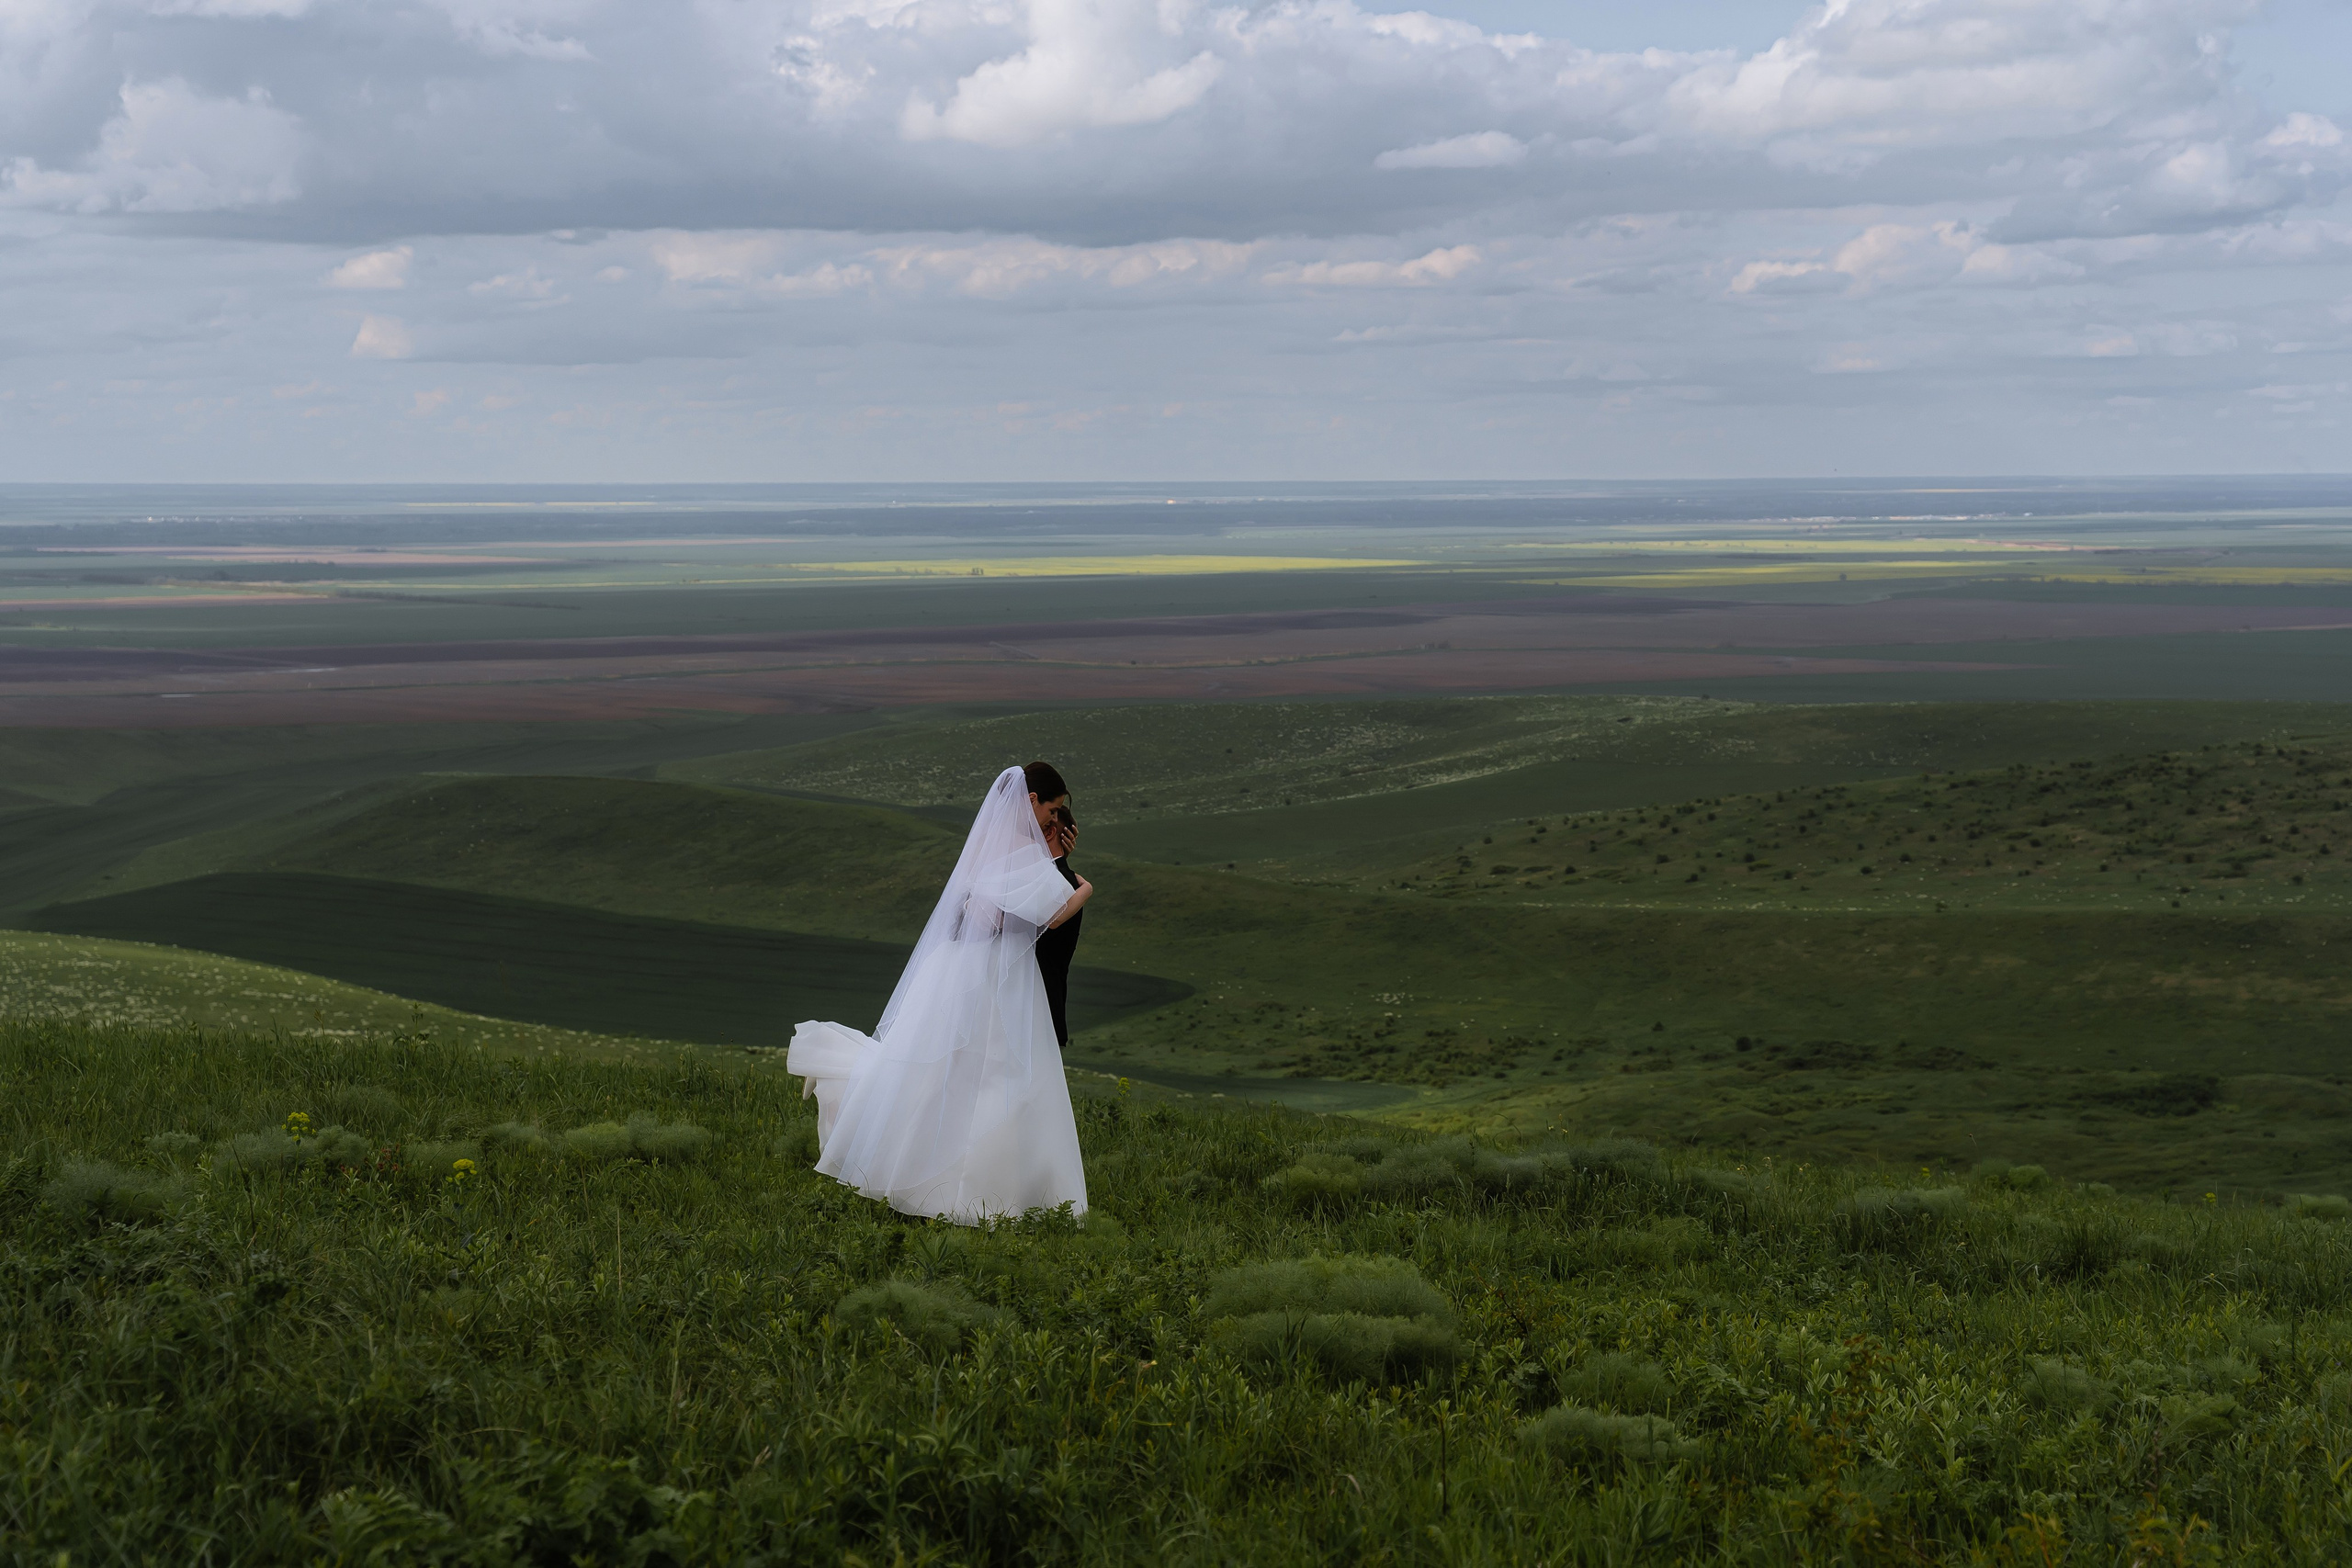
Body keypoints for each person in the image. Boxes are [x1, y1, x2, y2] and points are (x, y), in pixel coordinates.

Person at [786, 762, 1094, 1223]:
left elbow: (1027, 910)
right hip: (991, 973)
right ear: (1031, 801)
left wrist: (1055, 865)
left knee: (983, 1074)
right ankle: (978, 1189)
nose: (1055, 820)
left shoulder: (1009, 845)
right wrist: (1082, 886)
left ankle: (1001, 1186)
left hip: (992, 970)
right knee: (982, 1072)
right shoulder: (1021, 849)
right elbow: (1046, 917)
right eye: (1052, 809)